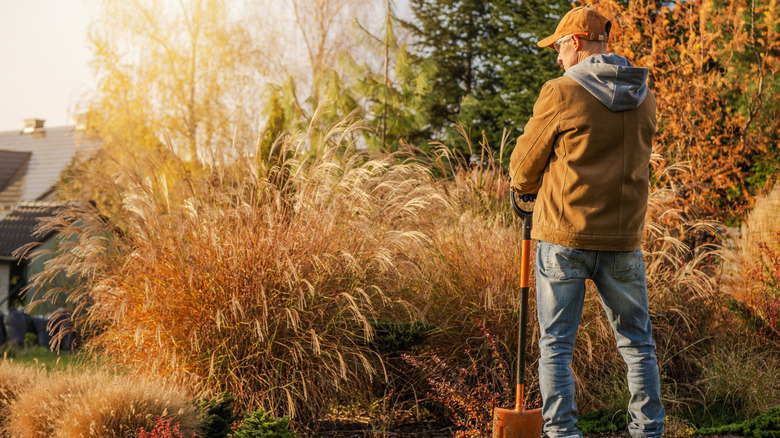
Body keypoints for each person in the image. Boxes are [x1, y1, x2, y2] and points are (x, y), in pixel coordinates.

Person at [508, 5, 665, 438]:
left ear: (576, 42)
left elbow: (522, 168)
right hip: (623, 242)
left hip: (564, 237)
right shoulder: (645, 96)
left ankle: (562, 433)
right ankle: (649, 432)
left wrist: (526, 187)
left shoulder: (561, 92)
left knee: (556, 347)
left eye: (559, 47)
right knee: (638, 346)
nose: (558, 58)